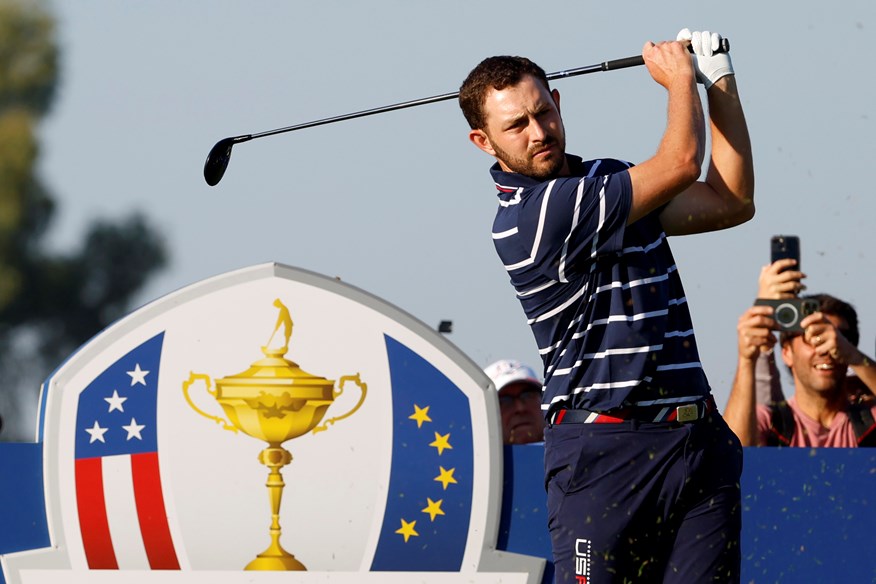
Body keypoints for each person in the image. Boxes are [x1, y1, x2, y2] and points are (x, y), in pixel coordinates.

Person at [459, 29, 754, 583]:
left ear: (558, 103)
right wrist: (677, 81)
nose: (538, 132)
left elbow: (731, 202)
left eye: (543, 112)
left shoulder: (608, 180)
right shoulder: (530, 217)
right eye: (515, 126)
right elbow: (683, 162)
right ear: (483, 142)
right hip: (605, 453)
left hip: (696, 439)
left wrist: (719, 81)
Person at [725, 293, 876, 447]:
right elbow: (731, 456)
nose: (826, 348)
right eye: (812, 336)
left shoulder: (870, 423)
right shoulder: (769, 423)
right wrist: (747, 359)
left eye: (840, 337)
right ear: (787, 353)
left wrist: (853, 357)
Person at [484, 359, 546, 444]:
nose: (520, 408)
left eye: (528, 396)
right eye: (505, 401)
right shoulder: (471, 456)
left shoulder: (569, 451)